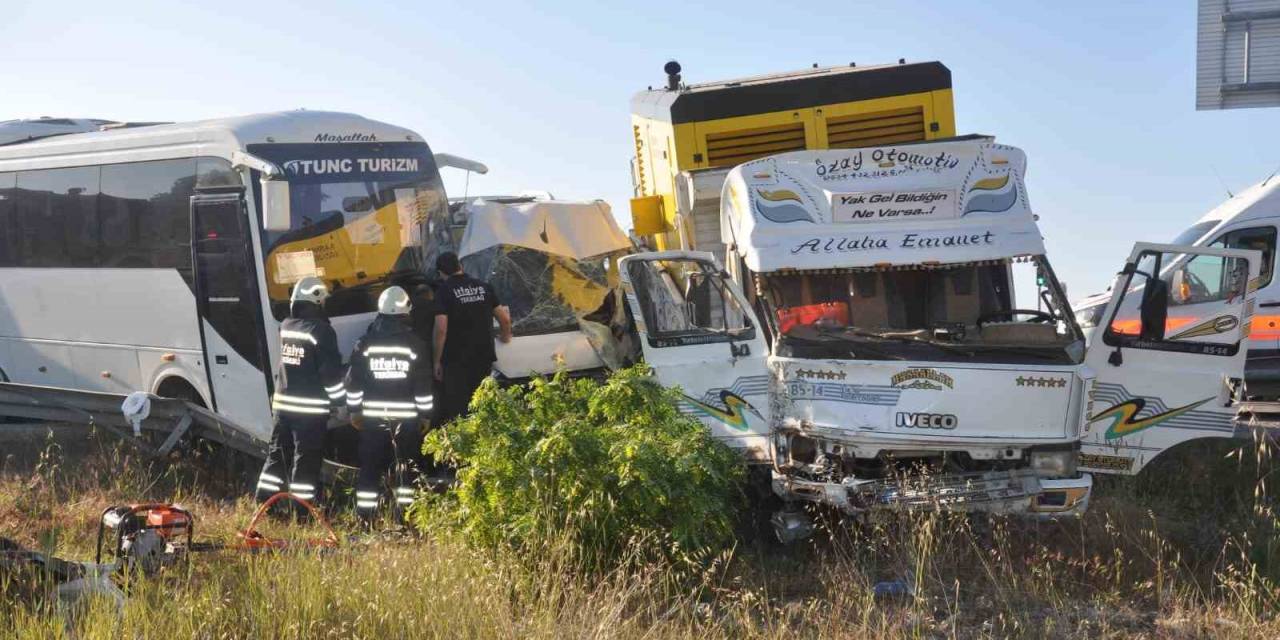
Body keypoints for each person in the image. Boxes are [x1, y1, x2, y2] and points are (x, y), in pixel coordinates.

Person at [345, 286, 433, 525]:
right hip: (407, 421)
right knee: (405, 468)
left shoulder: (364, 343)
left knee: (370, 468)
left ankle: (365, 518)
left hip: (372, 421)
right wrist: (425, 415)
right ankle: (406, 518)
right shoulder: (416, 345)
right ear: (406, 313)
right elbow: (423, 386)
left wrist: (354, 412)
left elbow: (353, 383)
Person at [255, 276, 345, 510]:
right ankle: (302, 510)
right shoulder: (322, 331)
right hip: (309, 409)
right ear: (315, 302)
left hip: (283, 405)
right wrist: (340, 402)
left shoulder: (286, 326)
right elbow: (330, 374)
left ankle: (263, 503)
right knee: (305, 460)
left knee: (276, 455)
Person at [432, 252, 512, 425]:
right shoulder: (483, 286)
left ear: (440, 273)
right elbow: (504, 319)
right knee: (482, 403)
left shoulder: (443, 292)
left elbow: (441, 329)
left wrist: (436, 361)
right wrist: (506, 337)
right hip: (483, 356)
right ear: (460, 266)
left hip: (456, 361)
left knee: (459, 409)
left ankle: (465, 445)